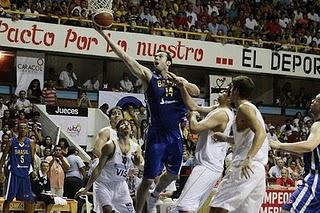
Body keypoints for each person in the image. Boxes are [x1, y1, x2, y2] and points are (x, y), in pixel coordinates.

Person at [95, 29, 200, 213]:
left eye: (160, 56)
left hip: (175, 135)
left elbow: (196, 92)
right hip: (156, 135)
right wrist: (105, 36)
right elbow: (127, 59)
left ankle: (155, 194)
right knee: (148, 179)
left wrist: (182, 83)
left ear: (168, 62)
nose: (156, 58)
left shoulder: (178, 81)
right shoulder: (149, 77)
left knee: (173, 175)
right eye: (155, 56)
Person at [209, 76, 269, 213]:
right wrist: (226, 138)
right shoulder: (251, 108)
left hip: (245, 165)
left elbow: (261, 133)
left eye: (230, 88)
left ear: (235, 90)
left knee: (217, 208)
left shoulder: (244, 108)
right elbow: (248, 139)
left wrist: (249, 158)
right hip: (257, 169)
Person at [173, 83, 234, 212]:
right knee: (191, 206)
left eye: (225, 91)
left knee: (184, 206)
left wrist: (192, 116)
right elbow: (193, 106)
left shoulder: (222, 114)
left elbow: (195, 129)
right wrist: (182, 87)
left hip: (207, 166)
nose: (222, 91)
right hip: (210, 166)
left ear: (230, 98)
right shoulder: (217, 108)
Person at [75, 119, 143, 213]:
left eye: (128, 124)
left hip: (121, 185)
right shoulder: (110, 145)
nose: (126, 125)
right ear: (117, 130)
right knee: (107, 209)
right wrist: (86, 188)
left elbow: (138, 164)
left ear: (131, 131)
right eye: (122, 124)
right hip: (104, 184)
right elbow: (98, 168)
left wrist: (138, 158)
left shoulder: (136, 147)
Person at [270, 93, 320, 212]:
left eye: (317, 99)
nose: (312, 100)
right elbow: (309, 153)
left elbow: (309, 146)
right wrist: (282, 148)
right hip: (314, 178)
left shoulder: (318, 125)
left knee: (288, 210)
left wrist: (279, 144)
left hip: (316, 179)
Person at [0, 122, 36, 213]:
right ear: (17, 129)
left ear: (27, 130)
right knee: (9, 199)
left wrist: (34, 170)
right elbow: (3, 157)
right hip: (13, 173)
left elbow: (32, 159)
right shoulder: (11, 141)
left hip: (25, 173)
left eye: (25, 128)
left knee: (29, 200)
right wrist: (1, 171)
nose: (23, 130)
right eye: (21, 128)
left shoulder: (31, 143)